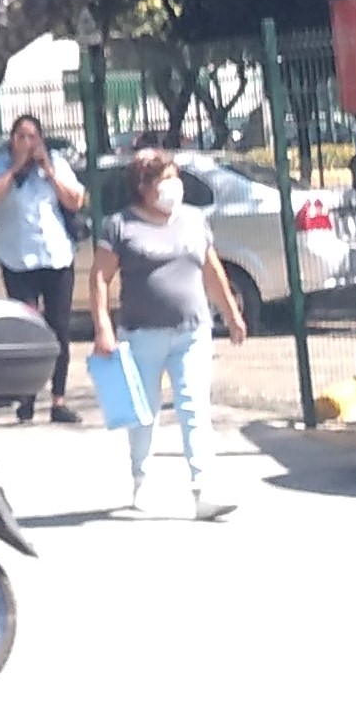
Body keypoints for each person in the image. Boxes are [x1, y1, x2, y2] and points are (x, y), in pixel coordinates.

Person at [88, 147, 248, 519]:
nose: (174, 186)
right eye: (165, 179)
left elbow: (211, 270)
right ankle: (142, 479)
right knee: (144, 412)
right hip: (141, 334)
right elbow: (99, 278)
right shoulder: (120, 225)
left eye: (175, 177)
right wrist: (103, 328)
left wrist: (231, 314)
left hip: (192, 331)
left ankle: (204, 489)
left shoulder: (193, 219)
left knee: (195, 408)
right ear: (143, 187)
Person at [0, 113, 87, 424]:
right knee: (26, 329)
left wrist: (48, 171)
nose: (27, 143)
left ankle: (59, 400)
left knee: (59, 328)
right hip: (17, 258)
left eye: (32, 137)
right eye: (21, 137)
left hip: (55, 256)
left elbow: (75, 201)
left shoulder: (55, 163)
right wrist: (15, 168)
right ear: (11, 140)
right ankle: (26, 398)